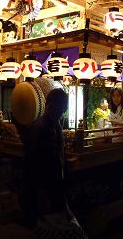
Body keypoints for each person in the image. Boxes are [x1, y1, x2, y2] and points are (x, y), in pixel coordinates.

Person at [13, 89, 86, 237]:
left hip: (38, 191)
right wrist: (58, 197)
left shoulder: (44, 124)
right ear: (53, 106)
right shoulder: (45, 128)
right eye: (61, 107)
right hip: (43, 193)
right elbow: (49, 166)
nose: (62, 111)